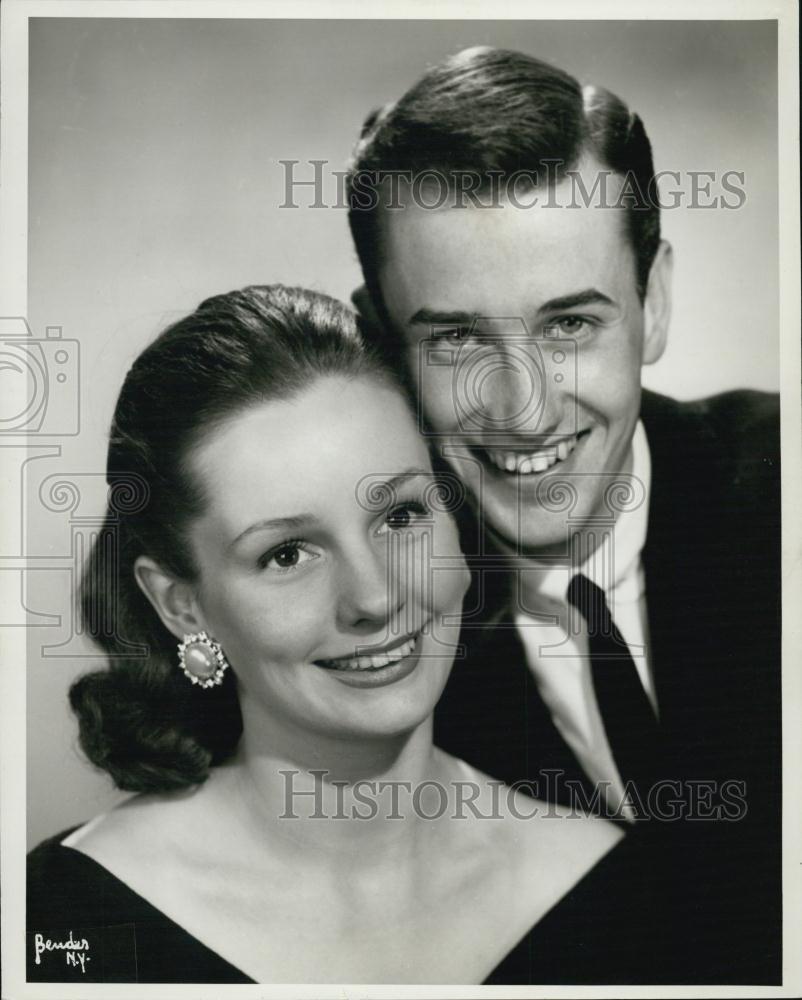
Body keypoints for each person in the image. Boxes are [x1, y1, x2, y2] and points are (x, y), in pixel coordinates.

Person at [27, 283, 662, 985]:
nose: (374, 597)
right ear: (182, 606)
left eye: (401, 518)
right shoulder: (60, 922)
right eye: (287, 555)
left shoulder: (615, 893)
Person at [347, 47, 781, 982]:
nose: (524, 410)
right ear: (382, 346)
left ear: (653, 303)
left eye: (569, 325)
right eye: (457, 337)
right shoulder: (361, 642)